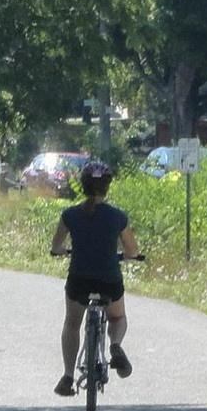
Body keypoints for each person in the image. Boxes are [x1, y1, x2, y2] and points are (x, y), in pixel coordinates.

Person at [49, 160, 139, 396]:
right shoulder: (117, 216)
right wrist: (127, 256)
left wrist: (62, 251)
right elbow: (132, 251)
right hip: (109, 279)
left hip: (79, 280)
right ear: (107, 186)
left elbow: (56, 246)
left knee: (72, 323)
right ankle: (115, 346)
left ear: (83, 185)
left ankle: (68, 376)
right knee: (118, 317)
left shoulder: (70, 215)